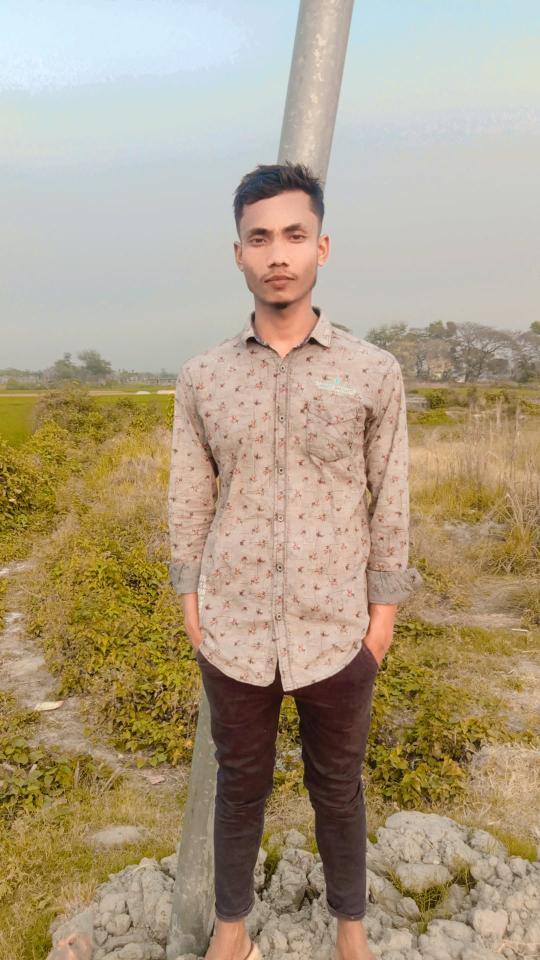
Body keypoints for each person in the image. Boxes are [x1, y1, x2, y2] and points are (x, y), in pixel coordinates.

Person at [168, 161, 422, 960]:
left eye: (294, 235)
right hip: (234, 630)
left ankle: (351, 931)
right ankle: (232, 933)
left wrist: (379, 626)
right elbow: (189, 497)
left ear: (322, 246)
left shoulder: (372, 371)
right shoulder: (203, 377)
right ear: (238, 253)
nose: (278, 254)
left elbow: (391, 498)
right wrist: (193, 606)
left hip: (338, 631)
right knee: (239, 786)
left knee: (339, 790)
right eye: (260, 238)